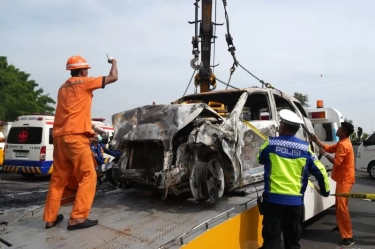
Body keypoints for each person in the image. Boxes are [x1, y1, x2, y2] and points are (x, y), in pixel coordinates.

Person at [43, 54, 118, 231]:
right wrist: (113, 61)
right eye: (86, 70)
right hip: (75, 138)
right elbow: (113, 77)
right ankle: (77, 218)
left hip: (60, 137)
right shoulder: (84, 82)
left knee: (58, 180)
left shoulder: (62, 88)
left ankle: (50, 218)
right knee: (88, 175)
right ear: (83, 70)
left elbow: (73, 113)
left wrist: (89, 130)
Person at [257, 109, 330, 249]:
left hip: (272, 201)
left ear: (283, 128)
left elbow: (259, 158)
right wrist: (325, 191)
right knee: (292, 242)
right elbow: (321, 171)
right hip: (294, 203)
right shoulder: (305, 148)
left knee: (271, 241)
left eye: (280, 125)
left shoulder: (270, 144)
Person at [309, 121, 355, 247]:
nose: (338, 129)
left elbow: (336, 162)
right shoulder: (341, 143)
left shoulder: (345, 145)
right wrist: (315, 139)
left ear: (344, 132)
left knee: (342, 208)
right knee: (340, 206)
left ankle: (348, 237)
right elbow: (327, 147)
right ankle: (341, 226)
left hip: (345, 180)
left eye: (340, 128)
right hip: (342, 179)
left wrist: (325, 154)